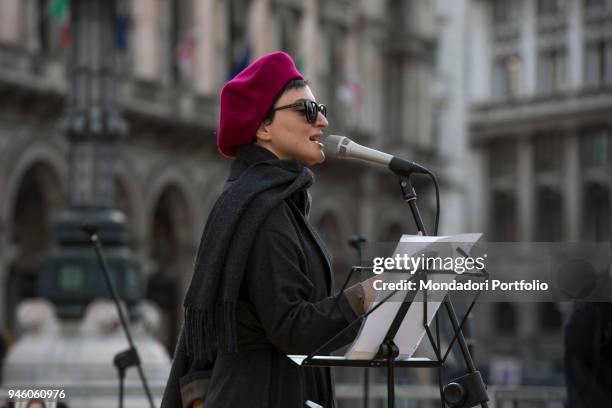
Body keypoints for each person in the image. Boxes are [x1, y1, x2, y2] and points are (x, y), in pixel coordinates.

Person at [161, 51, 374, 408]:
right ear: (262, 127)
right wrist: (369, 293)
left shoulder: (269, 202)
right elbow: (292, 328)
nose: (322, 120)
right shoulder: (263, 211)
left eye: (320, 108)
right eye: (307, 110)